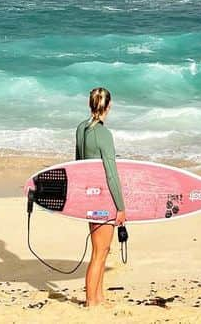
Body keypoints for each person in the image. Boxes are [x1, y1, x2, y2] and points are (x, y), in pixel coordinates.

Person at [75, 86, 126, 308]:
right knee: (100, 252)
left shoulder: (81, 129)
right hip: (104, 198)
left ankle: (99, 297)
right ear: (109, 106)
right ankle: (91, 301)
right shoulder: (104, 134)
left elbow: (77, 165)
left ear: (90, 104)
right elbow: (111, 174)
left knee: (101, 250)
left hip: (90, 196)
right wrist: (121, 207)